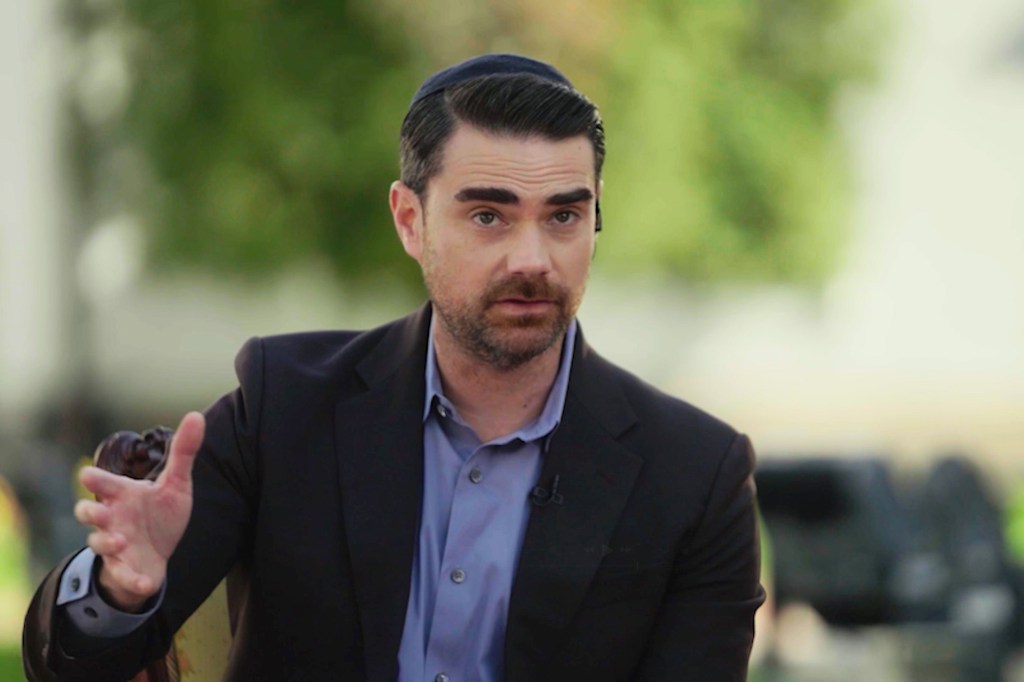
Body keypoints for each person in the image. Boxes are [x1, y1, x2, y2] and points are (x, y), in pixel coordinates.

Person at [23, 54, 765, 681]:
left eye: (564, 216)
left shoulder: (696, 474)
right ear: (410, 220)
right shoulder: (285, 407)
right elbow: (68, 665)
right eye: (488, 216)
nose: (533, 259)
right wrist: (121, 590)